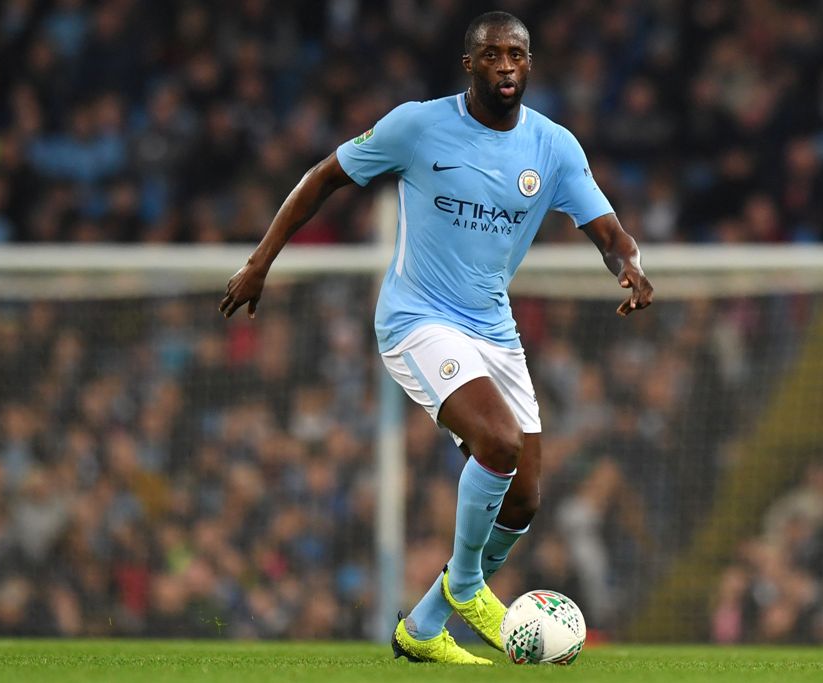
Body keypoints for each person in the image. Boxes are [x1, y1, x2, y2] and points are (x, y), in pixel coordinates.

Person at [219, 11, 653, 664]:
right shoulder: (417, 126)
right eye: (493, 54)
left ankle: (422, 629)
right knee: (500, 442)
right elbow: (324, 177)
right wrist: (260, 260)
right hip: (415, 318)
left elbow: (608, 230)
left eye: (518, 54)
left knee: (527, 493)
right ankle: (471, 584)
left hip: (492, 326)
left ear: (529, 64)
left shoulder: (554, 147)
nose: (507, 65)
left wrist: (631, 266)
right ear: (470, 64)